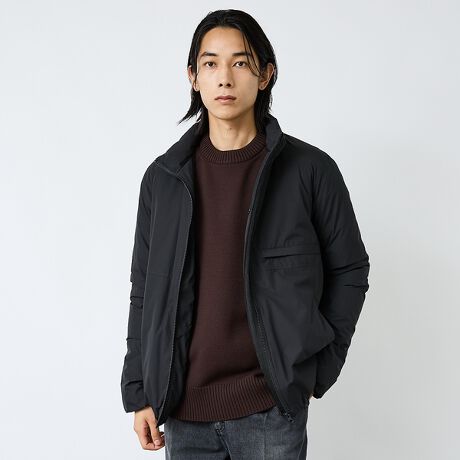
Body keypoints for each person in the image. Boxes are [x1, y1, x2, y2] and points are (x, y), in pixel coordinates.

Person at [121, 9, 370, 459]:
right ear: (193, 77)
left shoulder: (310, 171)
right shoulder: (163, 179)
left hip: (270, 412)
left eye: (240, 62)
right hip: (183, 413)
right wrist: (140, 391)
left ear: (266, 74)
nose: (225, 78)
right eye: (211, 63)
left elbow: (350, 269)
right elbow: (144, 291)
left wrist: (317, 369)